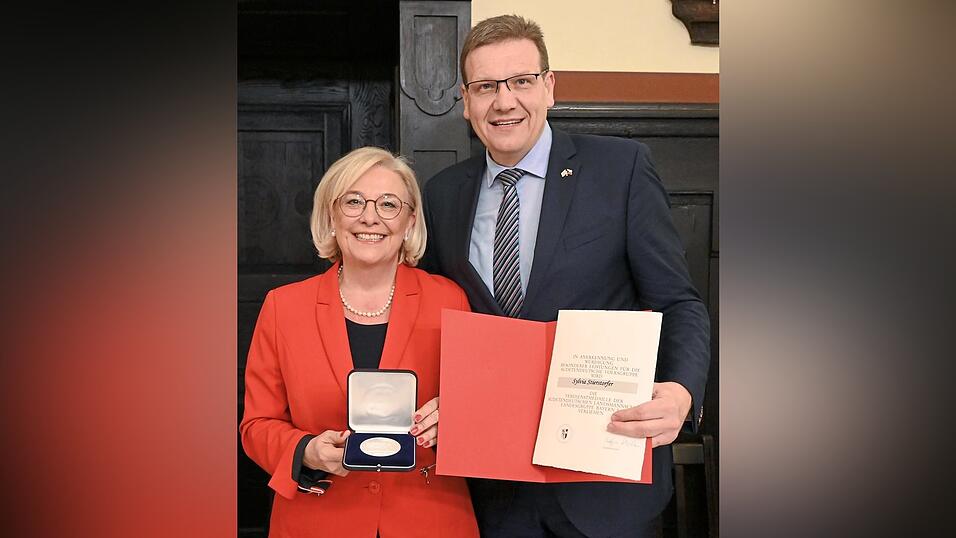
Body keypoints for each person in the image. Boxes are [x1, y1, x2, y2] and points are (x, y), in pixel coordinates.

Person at [420, 14, 711, 538]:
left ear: (549, 86)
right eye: (486, 86)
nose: (504, 101)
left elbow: (679, 302)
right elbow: (434, 318)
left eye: (520, 81)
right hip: (493, 491)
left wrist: (682, 393)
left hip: (605, 486)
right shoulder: (442, 195)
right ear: (466, 101)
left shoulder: (619, 169)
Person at [240, 147, 479, 537]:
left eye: (388, 204)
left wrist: (454, 420)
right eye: (354, 201)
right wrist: (305, 450)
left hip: (430, 519)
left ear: (409, 220)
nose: (370, 217)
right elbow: (256, 425)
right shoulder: (283, 306)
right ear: (331, 215)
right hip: (318, 520)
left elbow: (481, 410)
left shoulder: (449, 299)